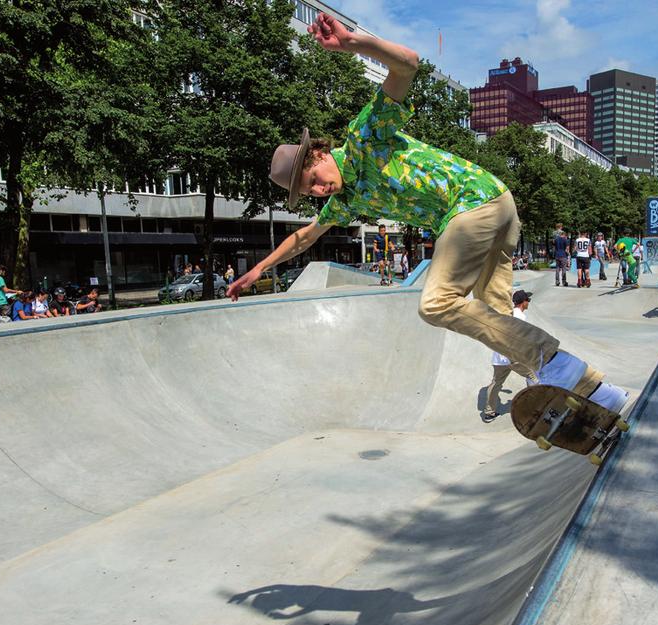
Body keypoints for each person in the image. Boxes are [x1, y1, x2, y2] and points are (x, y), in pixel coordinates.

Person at [228, 12, 629, 415]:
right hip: (499, 205)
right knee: (496, 320)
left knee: (436, 303)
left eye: (314, 178)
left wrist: (354, 44)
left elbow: (408, 64)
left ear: (317, 153)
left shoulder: (363, 137)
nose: (319, 190)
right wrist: (259, 269)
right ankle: (596, 391)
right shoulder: (344, 201)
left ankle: (552, 363)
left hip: (472, 203)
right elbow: (305, 236)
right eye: (309, 192)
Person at [483, 290, 538, 421]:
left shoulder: (507, 313)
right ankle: (536, 408)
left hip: (499, 355)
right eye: (527, 300)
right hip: (513, 356)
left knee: (496, 383)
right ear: (523, 302)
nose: (528, 303)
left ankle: (489, 412)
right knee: (533, 378)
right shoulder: (520, 317)